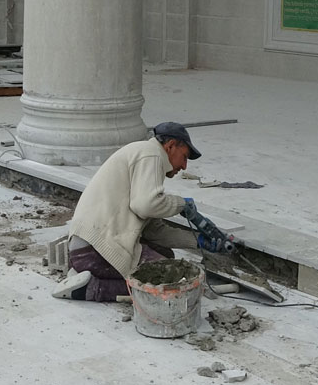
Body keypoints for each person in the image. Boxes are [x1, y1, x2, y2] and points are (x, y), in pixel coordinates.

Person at [53, 122, 234, 302]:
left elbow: (154, 231)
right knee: (172, 280)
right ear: (170, 146)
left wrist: (199, 241)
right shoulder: (151, 154)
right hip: (96, 251)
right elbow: (146, 205)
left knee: (167, 255)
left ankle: (84, 274)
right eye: (184, 157)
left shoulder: (143, 158)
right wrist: (181, 204)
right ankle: (93, 288)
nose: (184, 166)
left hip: (84, 250)